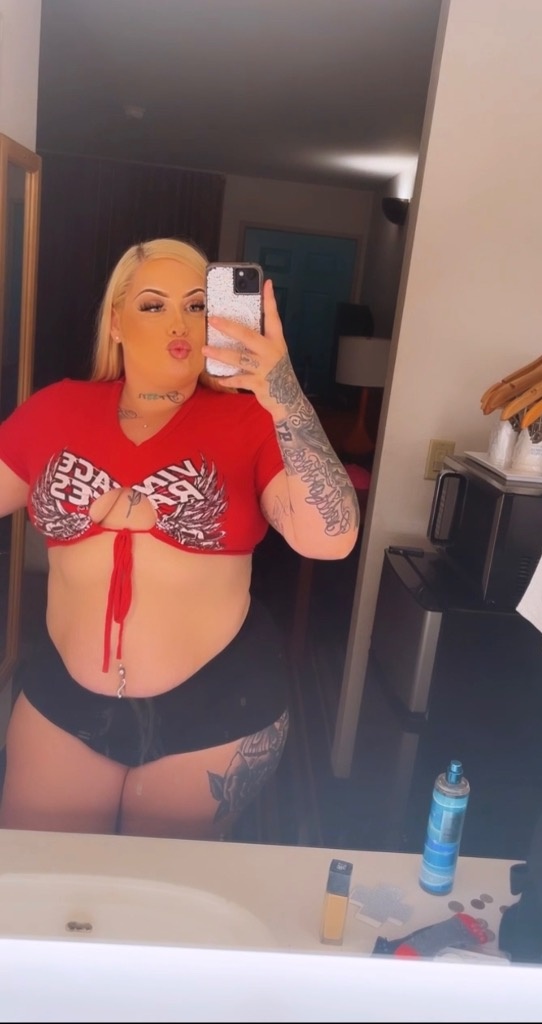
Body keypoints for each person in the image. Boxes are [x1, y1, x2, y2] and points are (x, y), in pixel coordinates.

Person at [0, 237, 359, 840]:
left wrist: (284, 396)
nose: (179, 323)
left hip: (214, 712)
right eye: (152, 305)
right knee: (42, 881)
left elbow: (332, 539)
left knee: (160, 889)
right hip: (64, 704)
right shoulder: (54, 410)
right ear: (116, 323)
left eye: (196, 305)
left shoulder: (251, 422)